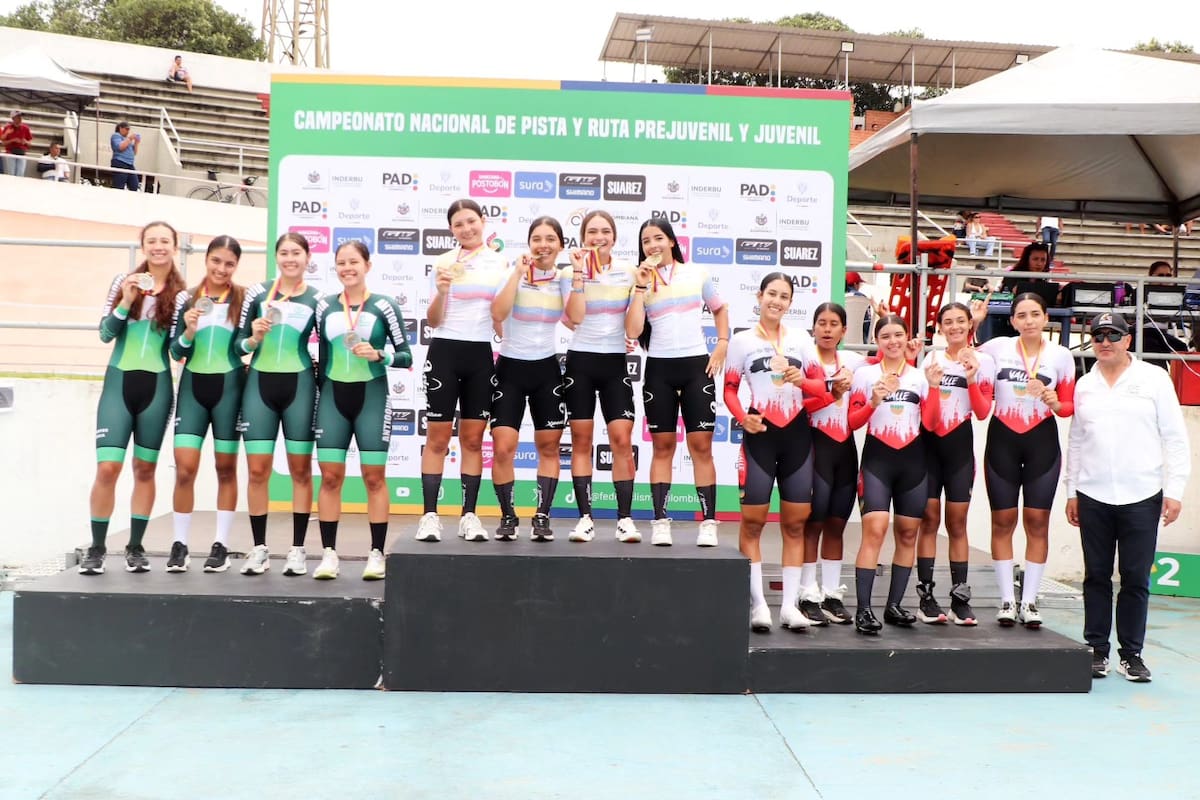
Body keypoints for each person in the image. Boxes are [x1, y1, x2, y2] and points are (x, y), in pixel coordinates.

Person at [1065, 312, 1190, 682]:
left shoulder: (1155, 379)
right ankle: (1096, 650)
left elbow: (1175, 438)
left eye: (1113, 335)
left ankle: (1131, 653)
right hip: (1093, 493)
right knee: (1096, 576)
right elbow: (1075, 441)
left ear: (1127, 339)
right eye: (1098, 335)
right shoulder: (1084, 384)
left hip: (1142, 494)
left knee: (1135, 577)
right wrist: (1071, 491)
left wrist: (1176, 490)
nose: (1105, 342)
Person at [724, 273, 830, 631]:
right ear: (759, 296)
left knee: (795, 524)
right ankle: (757, 606)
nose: (777, 301)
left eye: (784, 296)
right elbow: (729, 390)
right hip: (761, 434)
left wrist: (806, 381)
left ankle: (788, 607)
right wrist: (743, 419)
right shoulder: (741, 342)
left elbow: (822, 392)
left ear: (790, 302)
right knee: (752, 523)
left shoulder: (801, 340)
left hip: (797, 436)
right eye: (772, 294)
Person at [79, 221, 186, 575]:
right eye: (152, 241)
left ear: (175, 246)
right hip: (118, 384)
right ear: (143, 246)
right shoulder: (123, 282)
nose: (158, 246)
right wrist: (126, 300)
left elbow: (175, 351)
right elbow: (105, 334)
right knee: (108, 468)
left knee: (145, 468)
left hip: (156, 387)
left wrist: (190, 334)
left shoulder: (183, 293)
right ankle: (96, 548)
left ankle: (136, 547)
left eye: (165, 241)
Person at [971, 291, 1075, 626]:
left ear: (1046, 318)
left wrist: (1053, 400)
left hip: (1041, 442)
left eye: (1035, 314)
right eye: (1022, 315)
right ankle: (1005, 600)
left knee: (1037, 522)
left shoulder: (1061, 356)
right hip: (1002, 440)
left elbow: (1068, 407)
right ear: (1013, 321)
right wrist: (974, 323)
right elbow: (963, 355)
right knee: (1002, 522)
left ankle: (1029, 601)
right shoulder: (997, 348)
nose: (1028, 321)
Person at [625, 218, 730, 547]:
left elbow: (720, 308)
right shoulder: (639, 279)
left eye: (658, 238)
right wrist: (640, 287)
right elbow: (632, 330)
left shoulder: (696, 273)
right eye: (646, 241)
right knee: (662, 448)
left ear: (672, 241)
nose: (652, 245)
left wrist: (723, 343)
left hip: (697, 366)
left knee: (701, 448)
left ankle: (709, 522)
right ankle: (659, 521)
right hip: (659, 369)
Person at [312, 241, 412, 579]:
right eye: (341, 263)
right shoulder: (323, 306)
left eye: (354, 262)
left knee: (373, 478)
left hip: (372, 396)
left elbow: (407, 356)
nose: (347, 268)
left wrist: (380, 355)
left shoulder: (384, 306)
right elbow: (323, 357)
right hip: (332, 398)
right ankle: (328, 554)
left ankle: (377, 554)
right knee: (329, 477)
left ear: (367, 265)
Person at [417, 199, 510, 543]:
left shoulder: (500, 263)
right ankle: (429, 516)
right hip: (445, 351)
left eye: (471, 221)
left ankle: (469, 515)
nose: (466, 228)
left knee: (473, 439)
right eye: (458, 224)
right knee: (437, 439)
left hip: (480, 355)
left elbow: (501, 316)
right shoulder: (443, 262)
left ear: (483, 221)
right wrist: (441, 292)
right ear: (451, 229)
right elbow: (433, 320)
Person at [489, 217, 584, 541]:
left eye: (550, 239)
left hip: (546, 370)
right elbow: (498, 314)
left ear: (560, 245)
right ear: (529, 242)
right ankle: (508, 516)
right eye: (537, 238)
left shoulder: (563, 278)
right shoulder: (511, 273)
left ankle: (542, 516)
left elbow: (576, 317)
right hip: (510, 369)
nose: (543, 244)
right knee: (503, 447)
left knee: (549, 447)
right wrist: (516, 273)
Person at [846, 314, 942, 634]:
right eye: (885, 336)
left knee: (907, 534)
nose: (893, 341)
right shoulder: (865, 375)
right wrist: (873, 400)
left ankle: (894, 605)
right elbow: (853, 422)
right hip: (878, 461)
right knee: (874, 530)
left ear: (907, 339)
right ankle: (863, 610)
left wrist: (934, 388)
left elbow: (931, 424)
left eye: (898, 335)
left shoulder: (918, 377)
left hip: (913, 463)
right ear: (877, 341)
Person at [236, 232, 322, 576]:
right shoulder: (257, 293)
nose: (290, 258)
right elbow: (238, 345)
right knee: (258, 471)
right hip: (259, 385)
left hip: (299, 385)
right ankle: (259, 549)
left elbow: (329, 347)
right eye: (284, 253)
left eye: (297, 253)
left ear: (307, 258)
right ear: (276, 257)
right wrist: (254, 337)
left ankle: (298, 550)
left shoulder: (319, 298)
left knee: (300, 471)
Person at [165, 236, 245, 573]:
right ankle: (179, 544)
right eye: (216, 261)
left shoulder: (243, 298)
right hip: (193, 389)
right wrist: (188, 332)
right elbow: (175, 351)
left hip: (229, 388)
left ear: (235, 266)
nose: (221, 269)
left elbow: (243, 348)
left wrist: (253, 339)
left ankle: (221, 545)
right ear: (206, 260)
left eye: (229, 264)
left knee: (225, 468)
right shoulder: (186, 298)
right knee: (184, 468)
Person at [562, 211, 641, 543]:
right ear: (582, 236)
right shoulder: (569, 271)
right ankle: (585, 518)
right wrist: (580, 273)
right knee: (581, 441)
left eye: (605, 231)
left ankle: (625, 519)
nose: (599, 237)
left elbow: (634, 328)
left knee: (622, 441)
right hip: (580, 361)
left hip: (614, 364)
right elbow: (575, 316)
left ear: (615, 237)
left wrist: (638, 291)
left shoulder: (629, 272)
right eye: (592, 231)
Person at [915, 303, 995, 625]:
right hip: (930, 447)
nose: (954, 327)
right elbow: (929, 419)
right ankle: (926, 598)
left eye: (960, 321)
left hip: (960, 448)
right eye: (947, 322)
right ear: (940, 327)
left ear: (969, 324)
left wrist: (972, 377)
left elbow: (980, 412)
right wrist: (934, 384)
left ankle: (960, 600)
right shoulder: (931, 359)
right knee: (929, 520)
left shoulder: (983, 360)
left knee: (957, 523)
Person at [800, 303, 866, 625]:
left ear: (844, 331)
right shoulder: (805, 358)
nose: (827, 329)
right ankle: (807, 593)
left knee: (838, 523)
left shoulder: (854, 362)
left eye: (834, 324)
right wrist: (831, 391)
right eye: (821, 323)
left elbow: (886, 367)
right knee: (813, 523)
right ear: (813, 328)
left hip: (845, 449)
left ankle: (831, 594)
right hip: (815, 446)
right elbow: (800, 402)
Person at [110, 121, 140, 191]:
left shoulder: (127, 140)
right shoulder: (116, 136)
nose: (128, 131)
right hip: (120, 162)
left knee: (134, 185)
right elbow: (120, 147)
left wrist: (136, 142)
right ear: (120, 128)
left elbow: (134, 152)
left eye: (129, 129)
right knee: (119, 185)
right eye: (126, 129)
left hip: (129, 164)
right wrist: (129, 139)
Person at [1, 110, 32, 177]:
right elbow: (3, 142)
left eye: (20, 116)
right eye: (18, 117)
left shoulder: (25, 128)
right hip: (10, 152)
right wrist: (12, 140)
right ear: (13, 118)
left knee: (20, 174)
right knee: (11, 174)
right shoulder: (8, 128)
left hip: (22, 153)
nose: (20, 118)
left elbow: (30, 144)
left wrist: (25, 142)